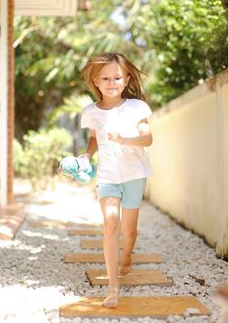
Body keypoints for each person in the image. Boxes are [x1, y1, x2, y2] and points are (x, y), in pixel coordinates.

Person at [80, 52, 153, 308]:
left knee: (128, 232)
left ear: (127, 79)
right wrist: (87, 156)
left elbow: (147, 139)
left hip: (134, 175)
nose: (112, 82)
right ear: (96, 82)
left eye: (117, 77)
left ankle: (128, 256)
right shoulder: (91, 113)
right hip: (108, 176)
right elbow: (93, 138)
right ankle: (113, 288)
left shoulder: (136, 108)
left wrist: (124, 139)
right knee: (111, 224)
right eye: (106, 78)